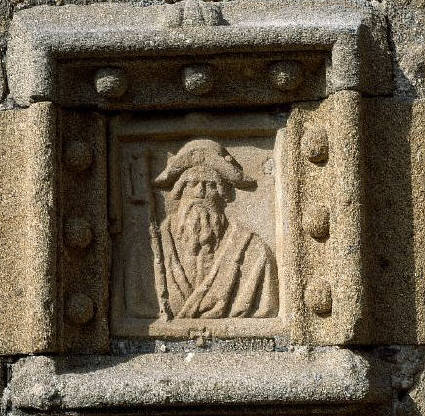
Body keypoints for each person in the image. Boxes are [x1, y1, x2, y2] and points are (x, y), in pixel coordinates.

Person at [154, 139, 279, 319]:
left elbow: (267, 307)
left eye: (210, 185)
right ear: (179, 192)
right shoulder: (155, 245)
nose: (200, 193)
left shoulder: (253, 251)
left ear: (223, 195)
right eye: (192, 184)